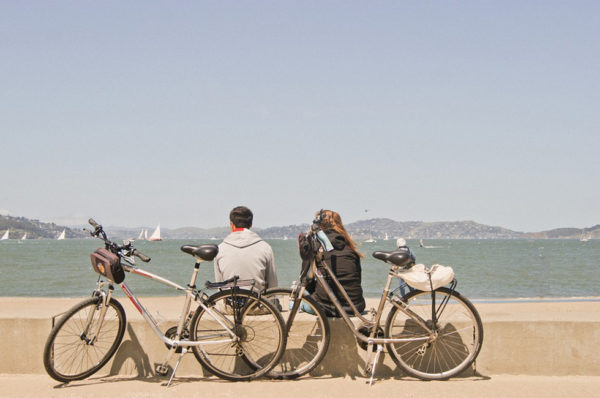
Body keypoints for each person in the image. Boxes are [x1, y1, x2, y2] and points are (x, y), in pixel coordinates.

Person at [306, 209, 366, 316]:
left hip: (328, 307)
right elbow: (357, 279)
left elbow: (308, 280)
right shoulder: (351, 250)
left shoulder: (320, 248)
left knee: (297, 301)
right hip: (356, 306)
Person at [214, 206, 277, 292]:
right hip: (257, 303)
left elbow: (220, 286)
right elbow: (272, 285)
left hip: (229, 302)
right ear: (251, 225)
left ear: (232, 225)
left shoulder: (220, 249)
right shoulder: (265, 247)